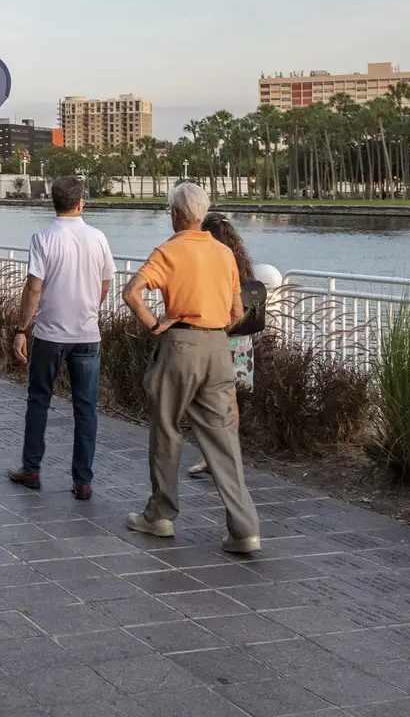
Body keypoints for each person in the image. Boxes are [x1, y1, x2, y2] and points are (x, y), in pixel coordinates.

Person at [121, 183, 260, 554]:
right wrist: (214, 331)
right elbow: (236, 312)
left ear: (176, 214)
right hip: (218, 347)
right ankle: (245, 529)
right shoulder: (224, 253)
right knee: (224, 437)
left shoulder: (168, 251)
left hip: (179, 344)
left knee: (167, 429)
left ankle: (160, 515)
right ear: (201, 213)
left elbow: (132, 291)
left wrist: (154, 324)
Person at [5, 176, 114, 501]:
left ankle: (32, 469)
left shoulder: (43, 238)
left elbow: (34, 287)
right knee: (86, 408)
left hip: (50, 334)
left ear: (53, 202)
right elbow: (106, 282)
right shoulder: (98, 237)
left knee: (39, 399)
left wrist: (21, 329)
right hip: (87, 335)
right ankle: (82, 481)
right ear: (81, 202)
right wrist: (91, 309)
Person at [193, 213, 256, 477]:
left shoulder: (212, 260)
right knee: (230, 400)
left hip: (218, 335)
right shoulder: (242, 263)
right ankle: (229, 455)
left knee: (210, 400)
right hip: (241, 338)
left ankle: (213, 459)